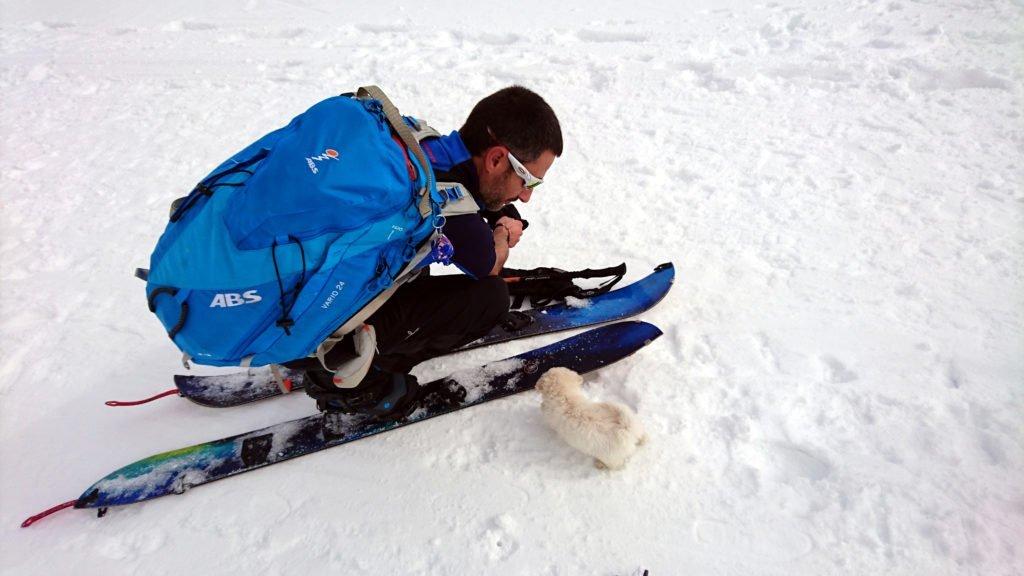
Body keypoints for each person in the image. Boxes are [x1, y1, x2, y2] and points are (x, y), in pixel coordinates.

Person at [284, 86, 563, 419]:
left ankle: (311, 346)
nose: (527, 196)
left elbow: (471, 196)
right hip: (313, 320)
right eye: (529, 181)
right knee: (490, 298)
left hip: (285, 300)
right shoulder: (440, 202)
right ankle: (350, 380)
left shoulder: (418, 146)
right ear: (497, 159)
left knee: (413, 262)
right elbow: (489, 264)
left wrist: (501, 211)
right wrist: (502, 230)